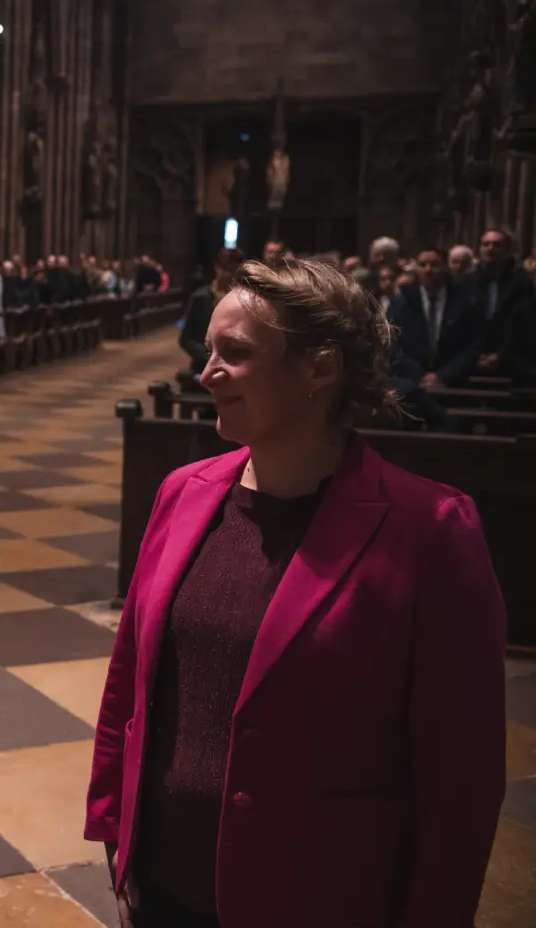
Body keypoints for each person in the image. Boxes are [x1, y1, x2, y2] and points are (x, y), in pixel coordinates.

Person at [85, 258, 505, 928]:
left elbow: (462, 778)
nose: (207, 373)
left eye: (236, 354)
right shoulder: (183, 493)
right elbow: (131, 682)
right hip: (165, 884)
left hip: (318, 896)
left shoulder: (430, 531)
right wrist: (117, 840)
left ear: (320, 368)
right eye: (209, 351)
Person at [387, 245, 485, 390]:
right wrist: (419, 375)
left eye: (434, 265)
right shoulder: (402, 302)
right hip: (411, 383)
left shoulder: (464, 301)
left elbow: (473, 345)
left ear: (445, 267)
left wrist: (443, 376)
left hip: (453, 383)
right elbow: (392, 343)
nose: (428, 270)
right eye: (423, 265)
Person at [470, 227, 534, 373]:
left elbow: (526, 327)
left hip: (512, 361)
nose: (490, 249)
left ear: (508, 250)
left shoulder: (522, 284)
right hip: (472, 360)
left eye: (496, 245)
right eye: (485, 244)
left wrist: (501, 355)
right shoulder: (469, 282)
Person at [179, 249, 242, 375]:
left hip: (235, 368)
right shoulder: (200, 297)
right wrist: (210, 356)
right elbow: (186, 339)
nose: (227, 274)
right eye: (224, 269)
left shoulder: (243, 299)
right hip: (203, 367)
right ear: (216, 268)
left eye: (232, 270)